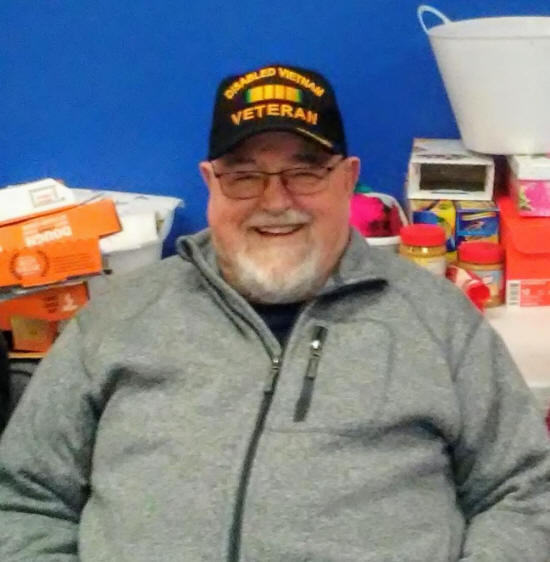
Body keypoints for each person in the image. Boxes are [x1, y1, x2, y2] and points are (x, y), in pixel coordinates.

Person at [0, 63, 549, 562]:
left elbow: (526, 491)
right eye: (243, 176)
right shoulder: (117, 317)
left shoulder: (439, 318)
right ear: (210, 184)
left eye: (305, 173)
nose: (276, 201)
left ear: (348, 179)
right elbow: (23, 499)